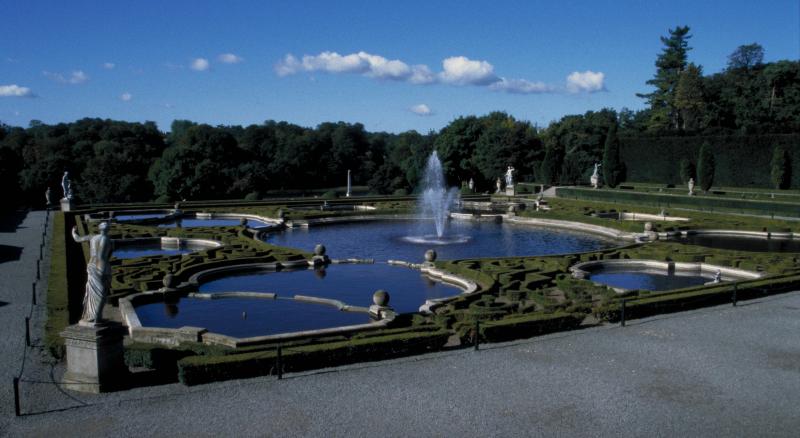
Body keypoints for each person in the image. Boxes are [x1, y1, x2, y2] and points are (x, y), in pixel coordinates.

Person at [72, 222, 113, 323]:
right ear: (108, 229)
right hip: (103, 266)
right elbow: (108, 255)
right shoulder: (109, 240)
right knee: (102, 292)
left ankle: (93, 316)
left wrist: (73, 231)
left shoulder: (92, 237)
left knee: (94, 292)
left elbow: (77, 239)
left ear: (99, 228)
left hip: (92, 265)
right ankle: (97, 317)